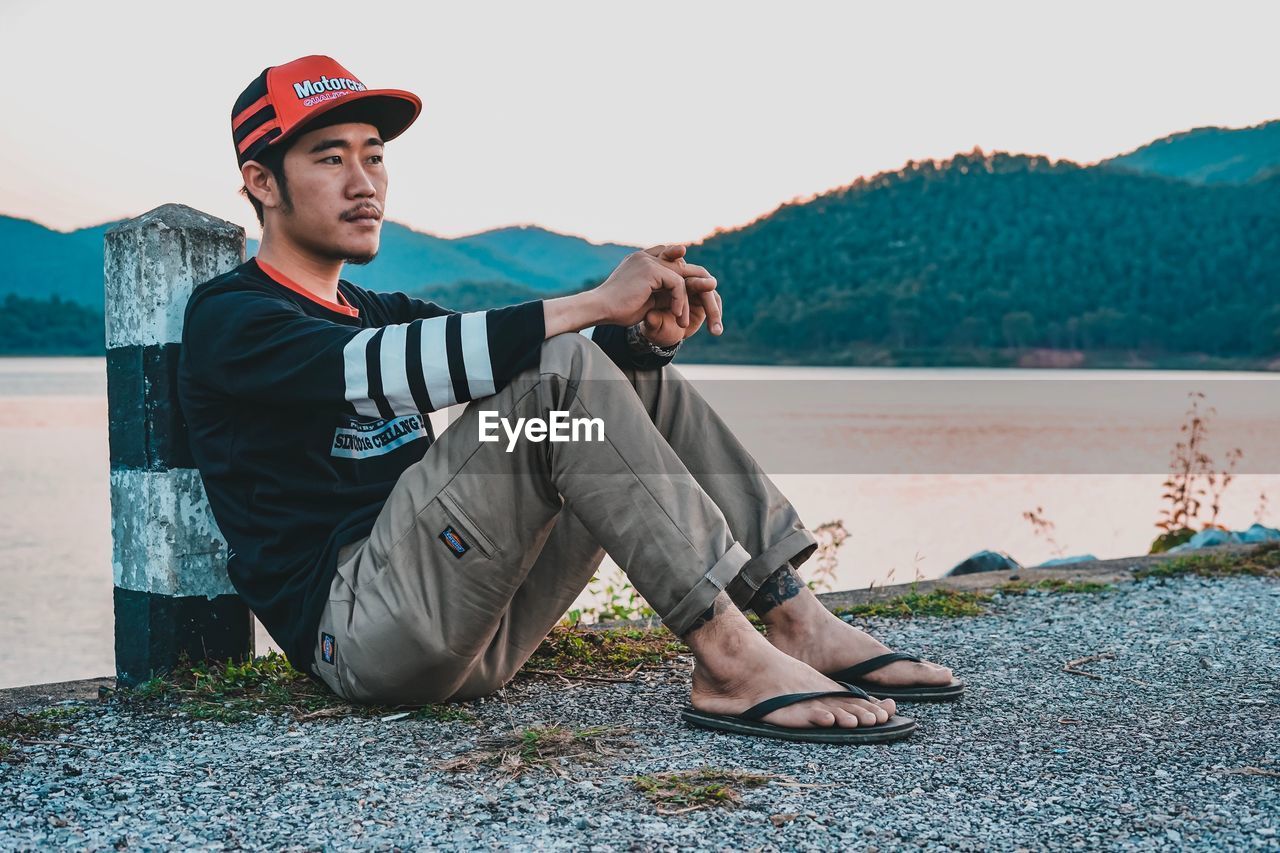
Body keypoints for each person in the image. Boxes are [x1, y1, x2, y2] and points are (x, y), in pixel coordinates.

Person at [177, 54, 963, 745]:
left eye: (374, 157)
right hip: (362, 635)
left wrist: (642, 338)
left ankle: (795, 615)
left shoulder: (381, 309)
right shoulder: (233, 319)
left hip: (478, 627)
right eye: (329, 158)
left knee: (622, 375)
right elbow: (382, 368)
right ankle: (726, 655)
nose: (364, 182)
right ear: (261, 181)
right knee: (557, 362)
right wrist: (595, 301)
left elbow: (524, 360)